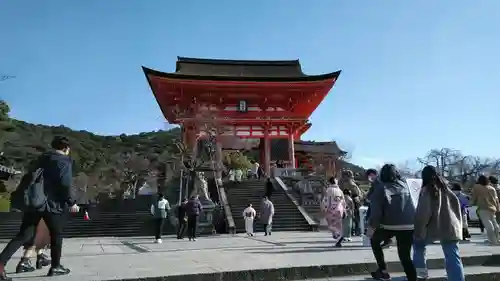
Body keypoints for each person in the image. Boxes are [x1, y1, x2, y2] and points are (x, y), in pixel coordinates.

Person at [0, 136, 79, 280]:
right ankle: (55, 267)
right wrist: (72, 202)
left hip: (34, 202)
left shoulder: (41, 159)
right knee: (56, 235)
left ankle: (0, 264)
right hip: (52, 205)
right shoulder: (63, 161)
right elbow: (65, 183)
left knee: (24, 235)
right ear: (66, 149)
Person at [413, 165, 465, 281]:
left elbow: (423, 214)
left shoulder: (427, 190)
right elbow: (457, 208)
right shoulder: (447, 189)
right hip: (451, 226)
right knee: (453, 256)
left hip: (434, 226)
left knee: (418, 247)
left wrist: (419, 230)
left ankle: (421, 276)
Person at [367, 164, 416, 281]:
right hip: (409, 225)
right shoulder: (406, 185)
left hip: (389, 225)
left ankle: (383, 270)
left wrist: (371, 227)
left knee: (374, 241)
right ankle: (412, 278)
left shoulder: (381, 188)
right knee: (405, 256)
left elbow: (376, 212)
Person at [365, 168, 392, 248]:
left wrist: (369, 198)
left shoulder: (378, 182)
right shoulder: (377, 182)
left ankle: (383, 241)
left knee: (376, 224)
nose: (369, 178)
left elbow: (374, 194)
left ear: (374, 174)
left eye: (370, 175)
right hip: (378, 206)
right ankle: (385, 240)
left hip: (378, 207)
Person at [471, 175, 500, 244]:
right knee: (495, 223)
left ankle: (493, 241)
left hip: (483, 207)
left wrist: (472, 204)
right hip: (493, 208)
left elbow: (474, 197)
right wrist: (498, 207)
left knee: (488, 224)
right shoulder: (492, 188)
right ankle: (497, 239)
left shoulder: (477, 187)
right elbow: (496, 199)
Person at [320, 177, 345, 246]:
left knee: (330, 225)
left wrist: (323, 208)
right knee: (339, 224)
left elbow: (325, 200)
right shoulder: (340, 190)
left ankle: (337, 234)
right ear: (335, 181)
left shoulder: (328, 190)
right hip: (339, 209)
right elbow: (343, 201)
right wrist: (344, 209)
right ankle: (339, 237)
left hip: (330, 209)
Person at [340, 170, 362, 236]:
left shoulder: (343, 182)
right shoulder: (350, 183)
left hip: (349, 201)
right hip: (351, 201)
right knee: (353, 217)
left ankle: (353, 231)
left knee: (351, 218)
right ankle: (354, 231)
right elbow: (357, 193)